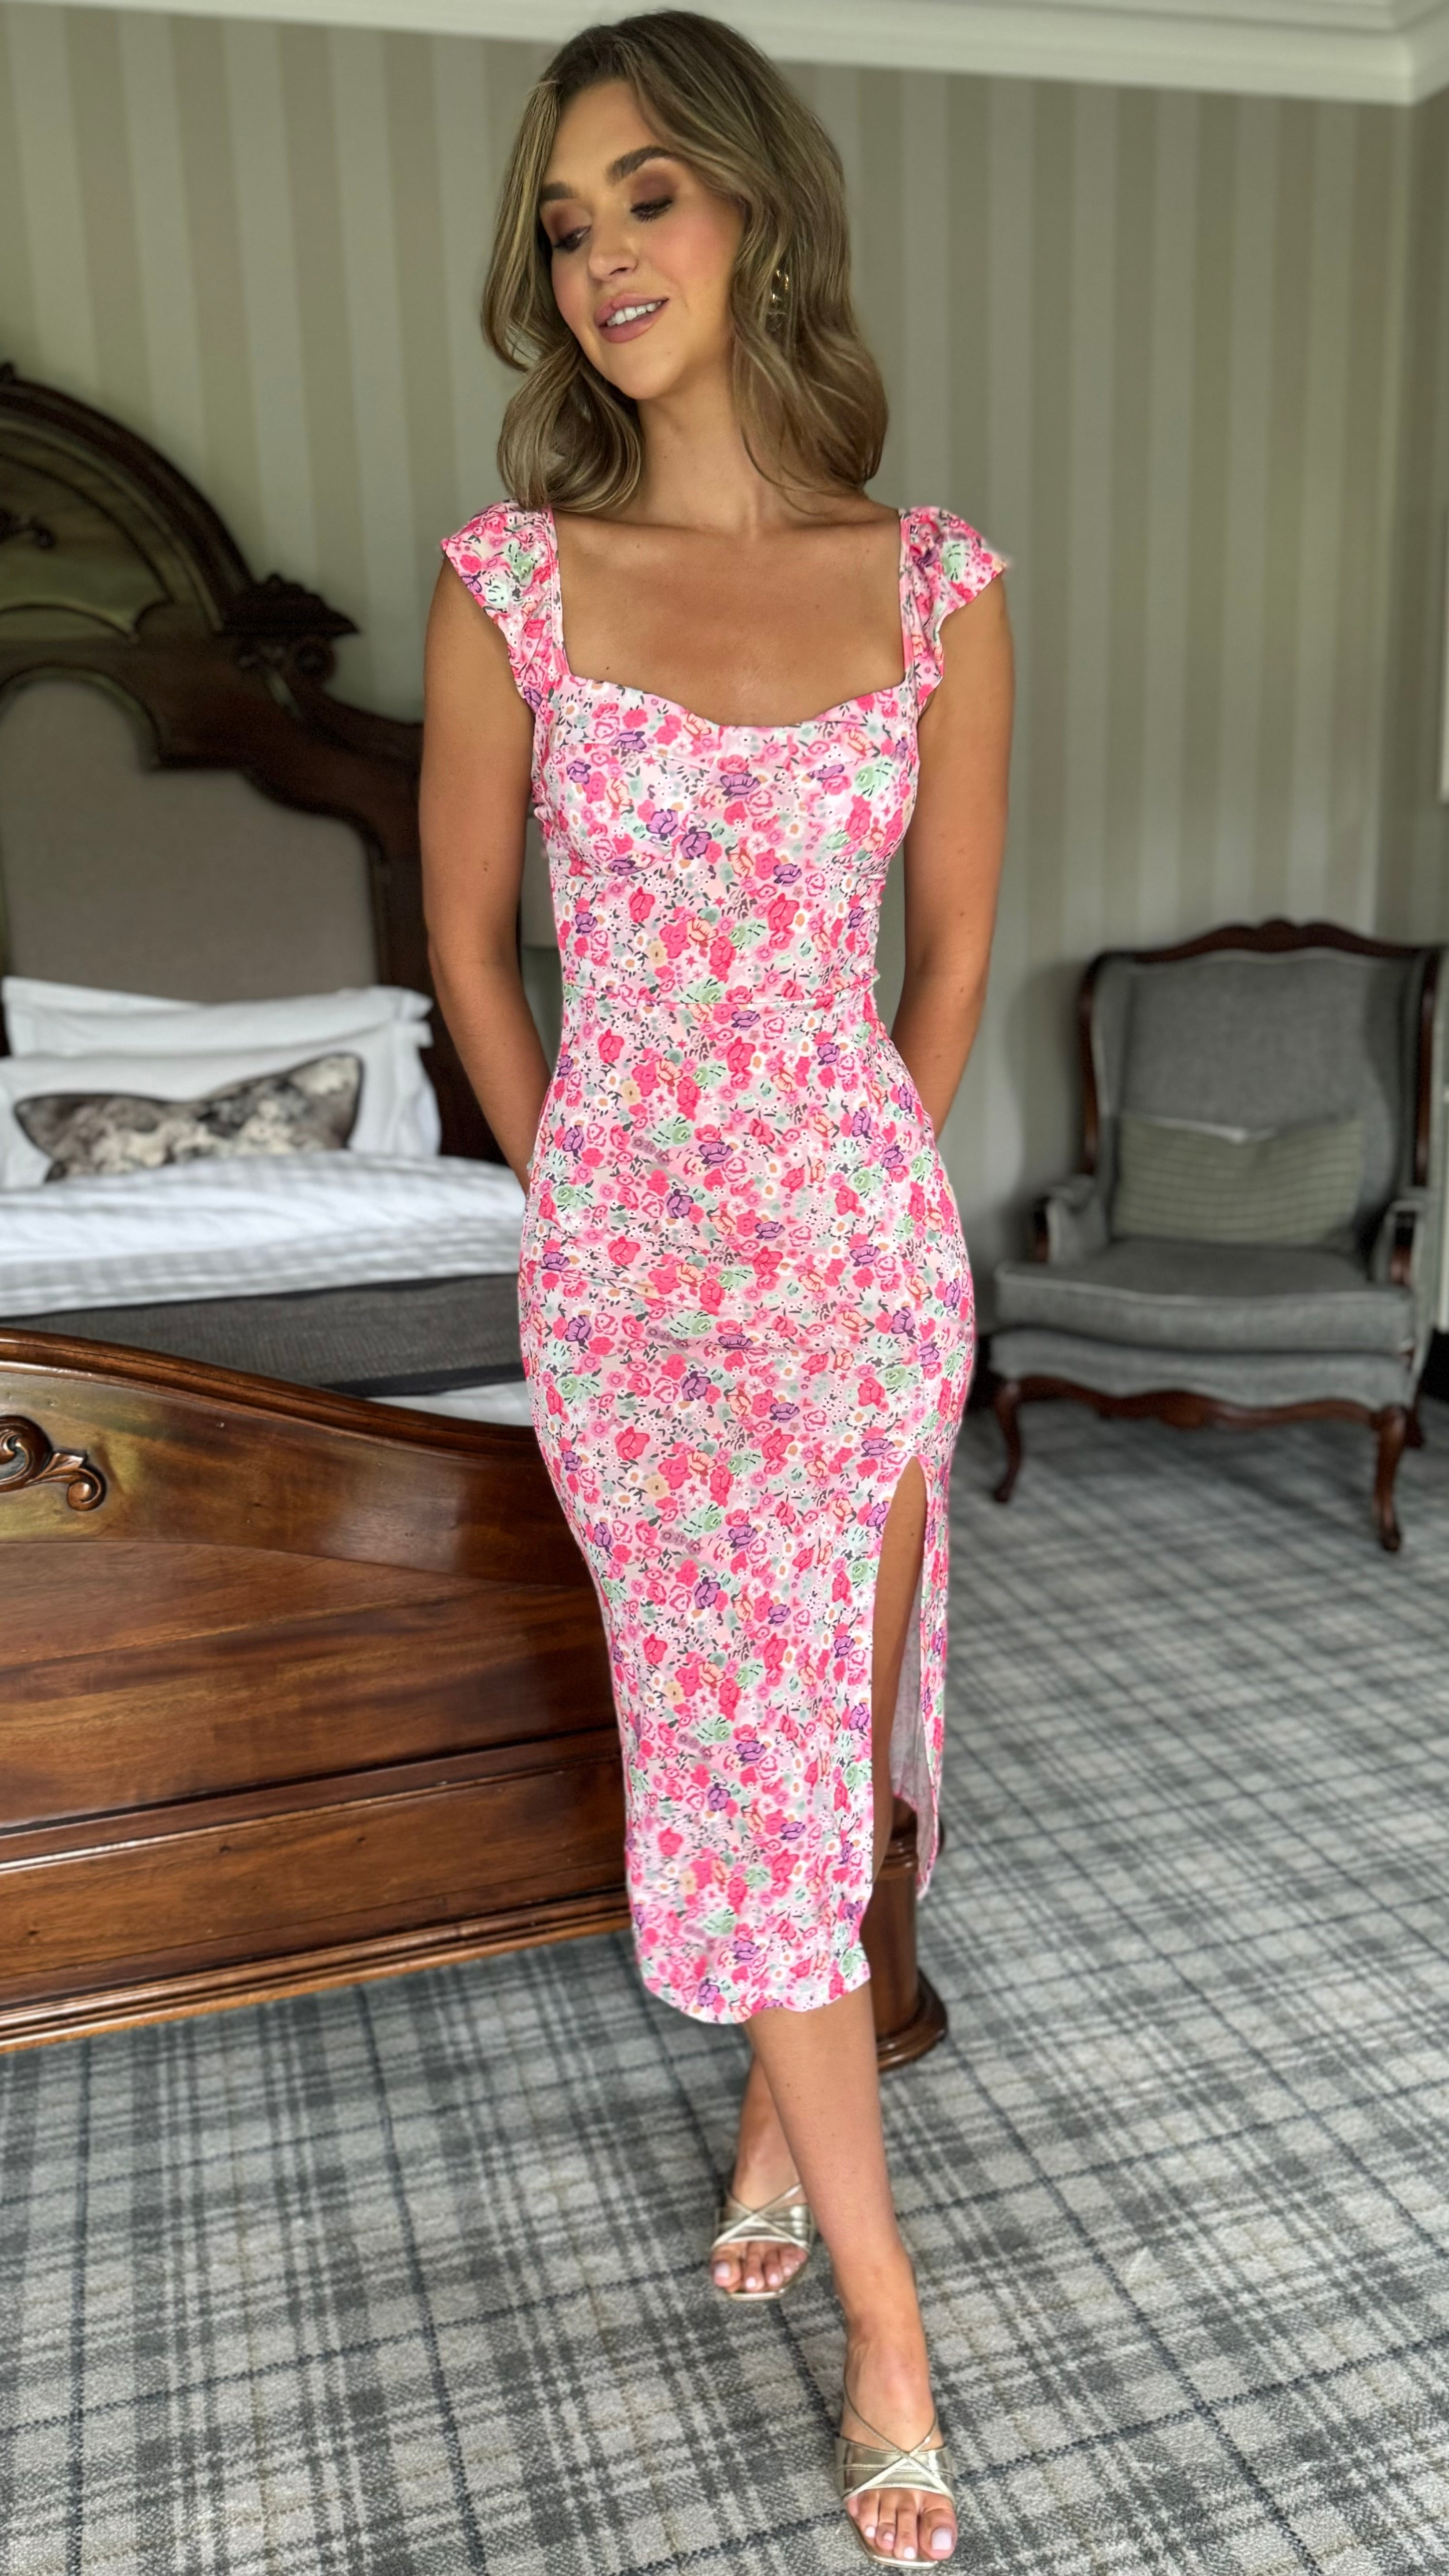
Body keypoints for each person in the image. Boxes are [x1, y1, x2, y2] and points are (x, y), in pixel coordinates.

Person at [420, 12, 1013, 2560]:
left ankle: (786, 2116)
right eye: (566, 224)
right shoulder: (513, 584)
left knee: (835, 1735)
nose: (601, 259)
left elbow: (950, 954)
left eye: (645, 195)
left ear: (757, 207)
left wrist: (857, 1185)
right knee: (745, 1766)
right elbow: (469, 947)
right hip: (636, 1291)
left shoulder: (937, 582)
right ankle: (889, 2321)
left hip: (860, 1264)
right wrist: (585, 1188)